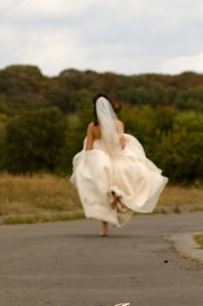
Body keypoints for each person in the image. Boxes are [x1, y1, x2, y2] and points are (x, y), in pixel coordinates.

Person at [71, 94, 168, 236]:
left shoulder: (92, 126)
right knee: (128, 183)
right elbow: (121, 146)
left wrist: (89, 162)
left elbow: (88, 149)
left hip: (100, 161)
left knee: (100, 193)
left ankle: (104, 228)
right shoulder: (118, 124)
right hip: (116, 159)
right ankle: (117, 194)